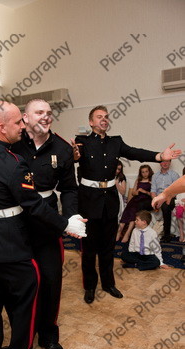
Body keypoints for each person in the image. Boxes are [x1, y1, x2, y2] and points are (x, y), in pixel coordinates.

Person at [0, 101, 86, 349]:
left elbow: (68, 189)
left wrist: (72, 218)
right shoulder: (13, 146)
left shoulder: (63, 148)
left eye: (49, 112)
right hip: (16, 228)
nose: (46, 117)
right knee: (19, 289)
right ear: (25, 119)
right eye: (38, 113)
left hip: (42, 225)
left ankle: (47, 338)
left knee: (51, 281)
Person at [71, 105, 181, 304]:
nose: (104, 120)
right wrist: (74, 156)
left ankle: (108, 283)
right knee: (89, 249)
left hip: (110, 201)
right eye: (99, 117)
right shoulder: (82, 142)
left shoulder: (116, 142)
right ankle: (90, 287)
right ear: (91, 122)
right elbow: (73, 157)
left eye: (106, 117)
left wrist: (159, 156)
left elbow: (135, 152)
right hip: (89, 201)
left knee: (107, 247)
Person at [116, 164, 154, 243]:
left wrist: (145, 192)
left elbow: (154, 194)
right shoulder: (138, 180)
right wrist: (136, 192)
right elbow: (133, 192)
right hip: (136, 199)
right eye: (143, 172)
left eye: (146, 171)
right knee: (127, 209)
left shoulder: (152, 180)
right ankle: (119, 232)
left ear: (149, 171)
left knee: (133, 210)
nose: (145, 174)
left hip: (145, 200)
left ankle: (127, 233)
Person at [151, 161, 179, 242]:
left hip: (170, 197)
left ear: (170, 163)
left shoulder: (174, 175)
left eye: (167, 162)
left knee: (165, 207)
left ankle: (166, 235)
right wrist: (155, 200)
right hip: (158, 197)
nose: (165, 163)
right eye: (163, 162)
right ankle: (140, 231)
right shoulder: (155, 176)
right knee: (141, 204)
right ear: (160, 163)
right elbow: (153, 191)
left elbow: (175, 191)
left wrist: (164, 199)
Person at [172, 167, 185, 242]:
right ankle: (181, 233)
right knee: (179, 213)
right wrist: (180, 202)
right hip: (181, 203)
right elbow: (178, 194)